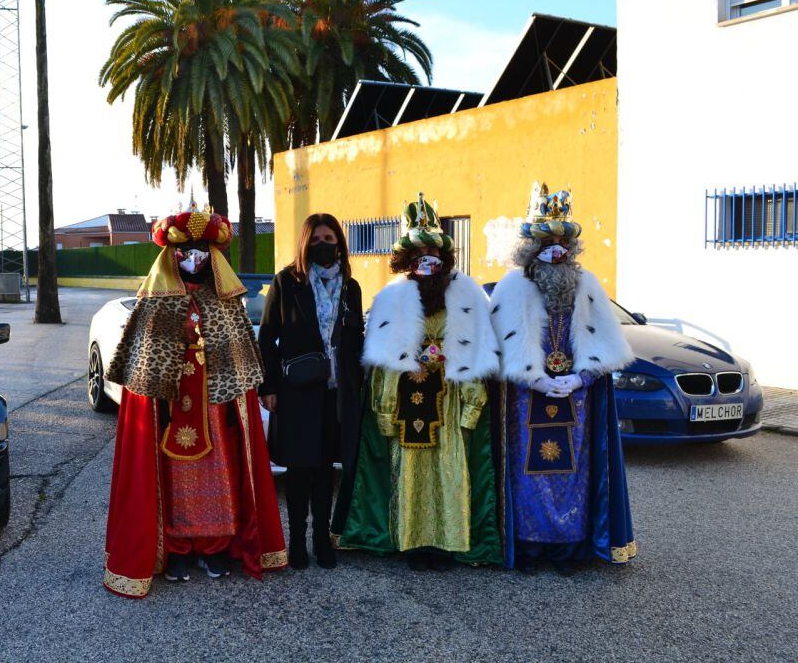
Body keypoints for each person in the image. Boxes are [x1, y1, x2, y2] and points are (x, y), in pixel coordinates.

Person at [102, 199, 285, 598]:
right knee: (170, 478)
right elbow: (145, 363)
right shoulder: (154, 302)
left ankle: (217, 547)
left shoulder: (226, 301)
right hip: (168, 411)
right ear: (173, 255)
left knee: (221, 473)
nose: (195, 258)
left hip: (217, 413)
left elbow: (239, 357)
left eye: (203, 251)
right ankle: (178, 549)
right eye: (186, 251)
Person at [339, 194, 502, 571]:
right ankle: (412, 543)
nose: (427, 263)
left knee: (450, 472)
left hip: (449, 404)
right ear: (408, 263)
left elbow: (475, 352)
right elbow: (381, 362)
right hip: (404, 403)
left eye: (433, 255)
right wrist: (383, 406)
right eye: (419, 257)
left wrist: (472, 405)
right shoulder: (391, 299)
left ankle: (447, 542)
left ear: (444, 261)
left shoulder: (466, 298)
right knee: (408, 474)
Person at [490, 182, 636, 574]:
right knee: (527, 475)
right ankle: (530, 548)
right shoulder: (511, 288)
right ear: (531, 251)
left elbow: (605, 346)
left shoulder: (587, 287)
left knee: (571, 475)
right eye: (548, 244)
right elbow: (501, 349)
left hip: (577, 402)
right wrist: (534, 380)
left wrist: (580, 379)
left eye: (562, 245)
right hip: (526, 402)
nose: (556, 252)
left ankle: (568, 550)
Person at [258, 213, 364, 570]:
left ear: (340, 242)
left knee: (325, 467)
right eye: (317, 238)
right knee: (300, 469)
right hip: (297, 389)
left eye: (330, 238)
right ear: (306, 242)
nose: (324, 244)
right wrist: (268, 385)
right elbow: (267, 337)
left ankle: (323, 539)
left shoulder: (351, 286)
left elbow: (356, 339)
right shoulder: (287, 282)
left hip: (337, 392)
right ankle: (297, 542)